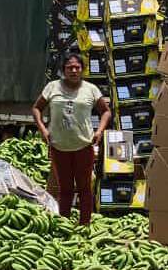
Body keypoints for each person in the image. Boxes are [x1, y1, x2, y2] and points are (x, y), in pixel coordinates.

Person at [32, 51, 111, 225]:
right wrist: (43, 130)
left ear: (82, 69)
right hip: (59, 147)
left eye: (77, 67)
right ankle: (64, 224)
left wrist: (99, 131)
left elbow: (106, 111)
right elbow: (37, 108)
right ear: (63, 70)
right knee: (65, 189)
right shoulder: (52, 87)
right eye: (69, 68)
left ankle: (85, 224)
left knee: (84, 189)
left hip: (83, 146)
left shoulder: (91, 89)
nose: (74, 71)